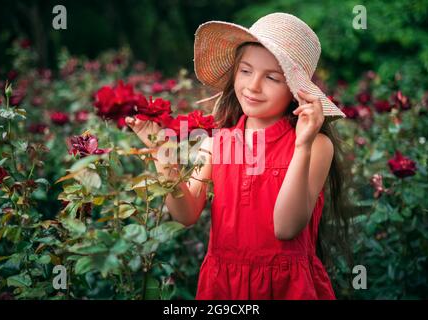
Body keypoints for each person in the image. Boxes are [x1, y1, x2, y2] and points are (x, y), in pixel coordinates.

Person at [126, 12, 351, 300]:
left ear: (297, 92)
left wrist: (302, 146)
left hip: (287, 287)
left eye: (272, 77)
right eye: (246, 71)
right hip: (222, 287)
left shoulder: (316, 145)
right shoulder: (217, 143)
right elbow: (184, 215)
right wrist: (159, 149)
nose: (253, 86)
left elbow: (286, 228)